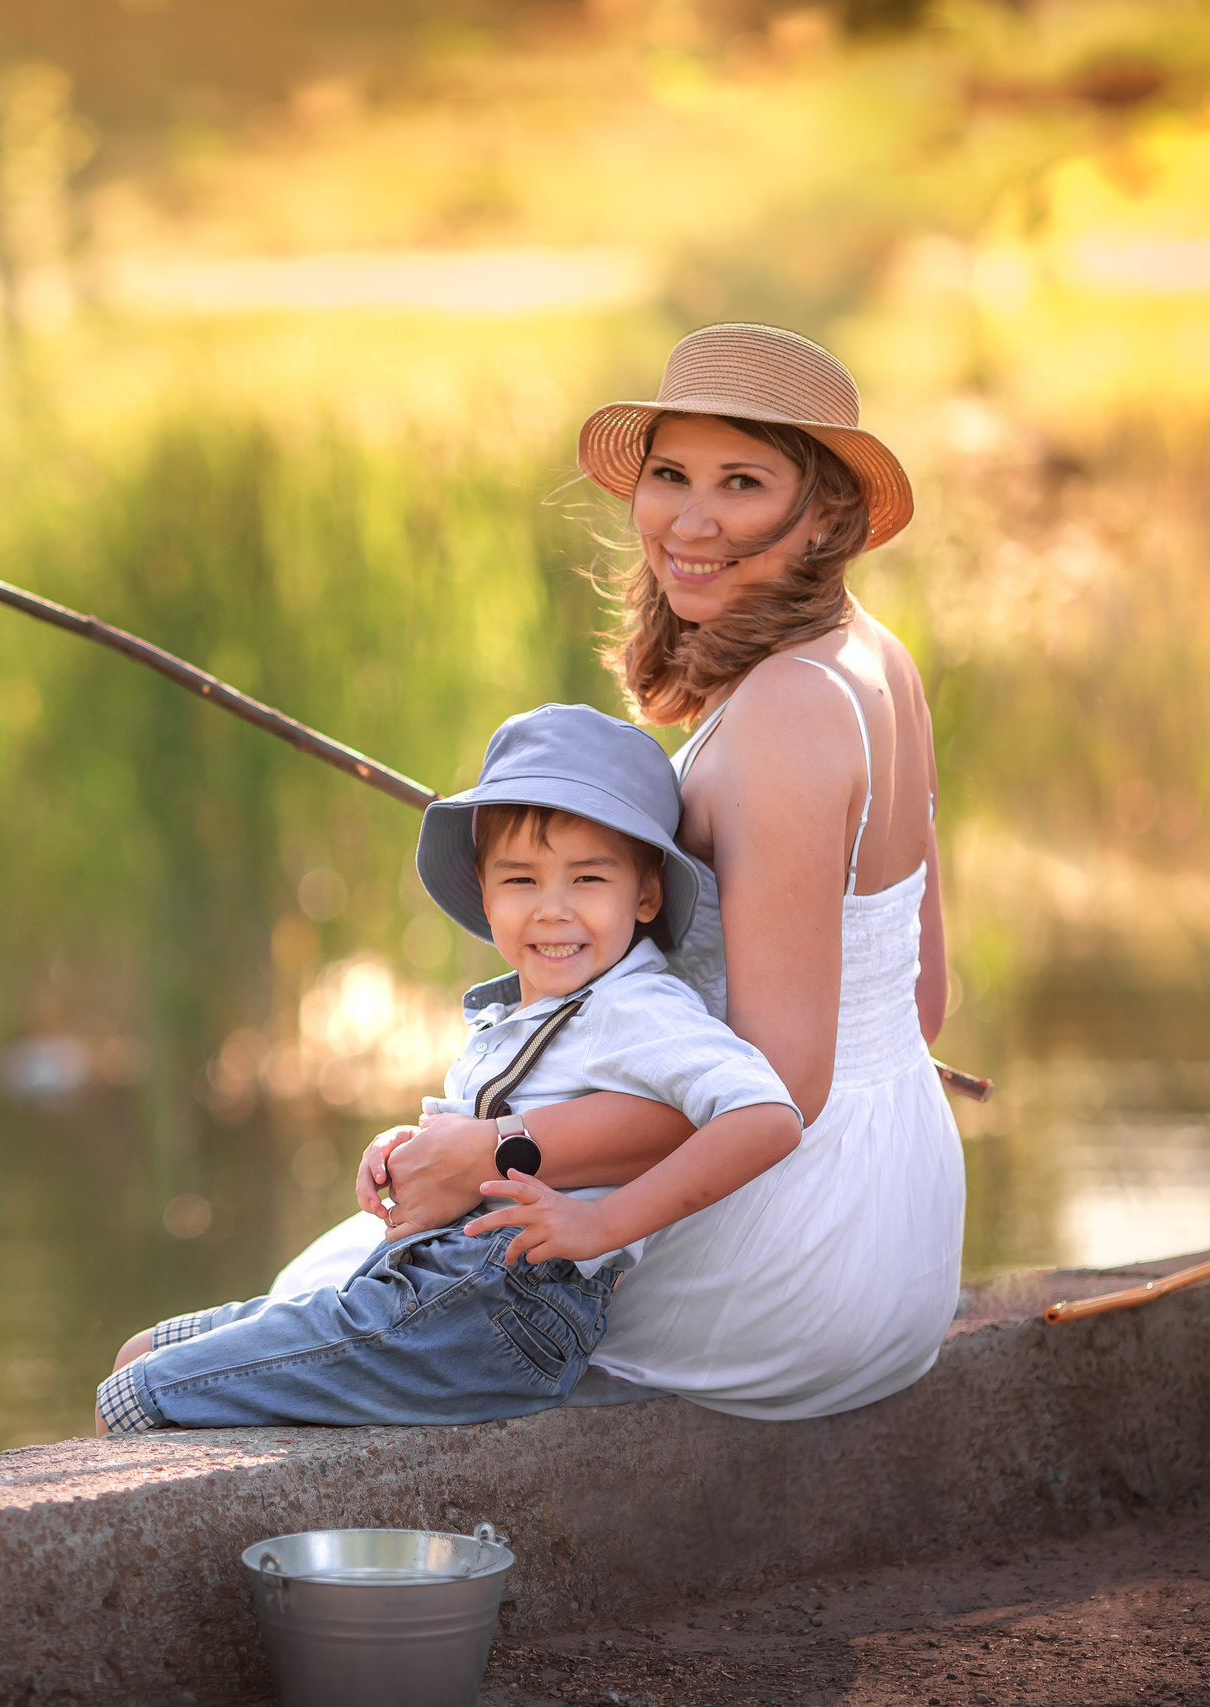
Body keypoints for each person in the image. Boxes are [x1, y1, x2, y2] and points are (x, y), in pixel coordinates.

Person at [318, 321, 966, 1422]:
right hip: (899, 1225)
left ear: (824, 516)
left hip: (794, 1255)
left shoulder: (785, 715)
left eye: (742, 483)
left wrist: (495, 1149)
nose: (690, 520)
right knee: (341, 1275)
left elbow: (780, 1090)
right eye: (670, 475)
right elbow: (923, 1004)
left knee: (244, 1334)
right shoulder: (873, 660)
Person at [95, 704, 800, 1434]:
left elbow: (768, 1115)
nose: (552, 911)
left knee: (138, 1399)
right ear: (485, 891)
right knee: (139, 1351)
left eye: (588, 879)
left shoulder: (640, 1007)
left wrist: (602, 1221)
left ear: (645, 893)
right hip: (444, 1283)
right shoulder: (525, 1013)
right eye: (522, 880)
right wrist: (405, 1147)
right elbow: (481, 1141)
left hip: (503, 1307)